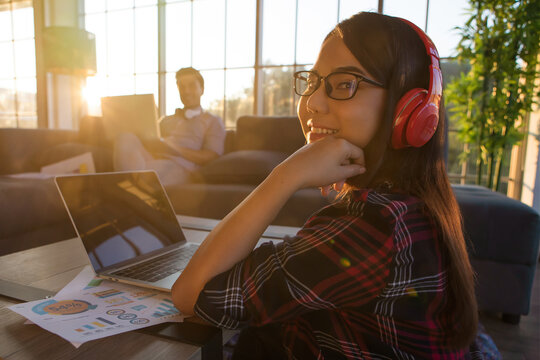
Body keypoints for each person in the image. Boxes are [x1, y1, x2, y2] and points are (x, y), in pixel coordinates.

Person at [172, 12, 481, 359]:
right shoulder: (412, 204)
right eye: (313, 82)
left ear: (408, 108)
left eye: (345, 83)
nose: (312, 103)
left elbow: (191, 294)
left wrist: (285, 176)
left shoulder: (374, 225)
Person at [114, 67, 226, 186]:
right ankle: (132, 184)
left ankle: (129, 185)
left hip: (180, 167)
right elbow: (149, 142)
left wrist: (173, 148)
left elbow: (211, 156)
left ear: (202, 90)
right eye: (182, 87)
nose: (186, 91)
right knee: (125, 138)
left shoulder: (213, 121)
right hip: (151, 159)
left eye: (192, 86)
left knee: (142, 172)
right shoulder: (166, 120)